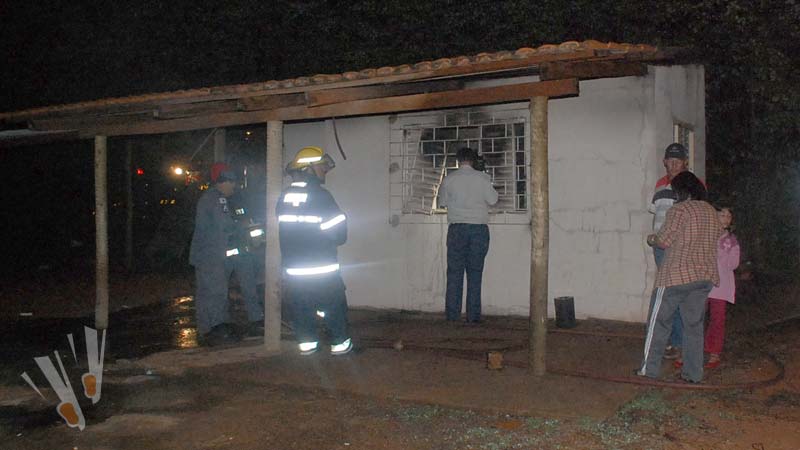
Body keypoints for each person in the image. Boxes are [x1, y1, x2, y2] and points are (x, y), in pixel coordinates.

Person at [639, 171, 722, 383]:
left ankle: (649, 370)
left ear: (682, 191)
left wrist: (651, 239)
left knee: (658, 323)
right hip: (703, 277)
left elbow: (664, 241)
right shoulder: (711, 211)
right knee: (693, 327)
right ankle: (693, 374)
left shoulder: (680, 209)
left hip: (674, 277)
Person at [277, 146, 352, 356]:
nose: (324, 170)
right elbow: (339, 235)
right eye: (321, 167)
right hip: (322, 269)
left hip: (294, 270)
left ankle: (307, 345)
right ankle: (340, 345)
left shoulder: (284, 197)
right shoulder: (321, 196)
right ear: (308, 169)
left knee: (302, 307)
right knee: (333, 305)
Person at [189, 162, 264, 346]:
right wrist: (243, 225)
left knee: (213, 291)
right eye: (230, 182)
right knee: (214, 292)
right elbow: (225, 225)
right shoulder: (215, 199)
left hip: (220, 253)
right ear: (221, 182)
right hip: (211, 255)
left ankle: (215, 326)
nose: (234, 185)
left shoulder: (227, 198)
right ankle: (214, 328)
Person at [438, 147, 499, 323]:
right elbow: (493, 200)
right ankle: (473, 317)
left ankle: (452, 316)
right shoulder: (482, 178)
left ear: (458, 160)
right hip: (478, 230)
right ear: (473, 160)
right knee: (475, 274)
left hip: (457, 230)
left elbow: (442, 202)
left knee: (454, 274)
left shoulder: (449, 179)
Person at [647, 143, 691, 359]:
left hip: (680, 247)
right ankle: (671, 341)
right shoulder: (660, 185)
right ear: (665, 162)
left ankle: (680, 342)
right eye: (670, 161)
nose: (673, 165)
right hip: (661, 248)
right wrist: (654, 237)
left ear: (685, 163)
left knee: (678, 294)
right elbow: (656, 215)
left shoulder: (691, 185)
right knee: (666, 294)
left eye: (678, 161)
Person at [702, 206, 740, 369]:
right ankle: (689, 350)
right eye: (722, 214)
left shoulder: (731, 240)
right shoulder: (704, 234)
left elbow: (733, 264)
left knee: (717, 320)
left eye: (728, 216)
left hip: (721, 285)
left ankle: (714, 351)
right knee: (695, 318)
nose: (725, 218)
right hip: (702, 284)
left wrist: (721, 250)